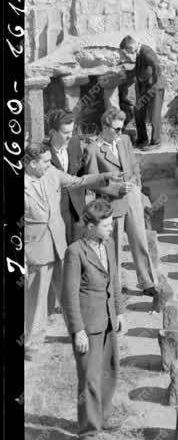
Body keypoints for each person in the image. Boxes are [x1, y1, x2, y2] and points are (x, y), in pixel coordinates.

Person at [23, 142, 120, 362]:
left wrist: (104, 176)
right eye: (46, 161)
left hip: (59, 245)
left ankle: (78, 332)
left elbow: (78, 181)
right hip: (36, 250)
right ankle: (32, 345)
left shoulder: (52, 173)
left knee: (69, 292)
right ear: (31, 163)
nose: (50, 165)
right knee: (37, 299)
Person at [62, 198, 125, 440]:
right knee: (89, 379)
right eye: (106, 225)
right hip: (88, 326)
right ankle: (87, 435)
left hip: (109, 320)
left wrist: (120, 311)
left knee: (109, 371)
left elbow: (115, 279)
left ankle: (103, 415)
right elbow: (69, 296)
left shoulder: (108, 244)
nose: (111, 228)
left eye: (111, 224)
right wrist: (77, 331)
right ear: (89, 225)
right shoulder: (75, 252)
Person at [84, 107, 159, 300]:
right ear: (105, 126)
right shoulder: (93, 149)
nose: (119, 132)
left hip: (132, 197)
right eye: (116, 129)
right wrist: (115, 190)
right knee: (114, 250)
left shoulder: (124, 140)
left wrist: (137, 187)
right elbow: (92, 181)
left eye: (121, 128)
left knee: (140, 241)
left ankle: (148, 282)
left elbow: (134, 166)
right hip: (112, 204)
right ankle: (113, 289)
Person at [47, 109, 92, 245]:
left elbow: (81, 173)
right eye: (65, 132)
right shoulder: (43, 153)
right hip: (56, 215)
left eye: (71, 132)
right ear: (52, 133)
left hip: (78, 211)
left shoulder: (75, 143)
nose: (69, 136)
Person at [119, 35, 165, 148]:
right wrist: (126, 75)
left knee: (154, 115)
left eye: (127, 51)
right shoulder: (139, 53)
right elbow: (138, 69)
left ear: (130, 47)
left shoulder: (146, 51)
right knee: (138, 111)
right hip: (145, 89)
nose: (128, 54)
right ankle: (142, 140)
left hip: (155, 88)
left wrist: (154, 83)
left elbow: (157, 67)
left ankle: (156, 142)